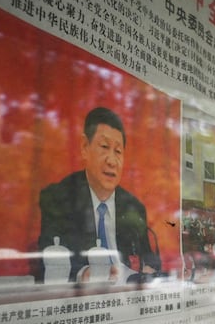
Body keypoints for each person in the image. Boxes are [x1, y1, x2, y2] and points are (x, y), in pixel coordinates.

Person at [37, 107, 160, 283]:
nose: (111, 161)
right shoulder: (59, 197)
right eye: (104, 147)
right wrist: (85, 274)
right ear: (85, 147)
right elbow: (46, 263)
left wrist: (150, 268)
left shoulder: (134, 207)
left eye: (118, 151)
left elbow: (149, 258)